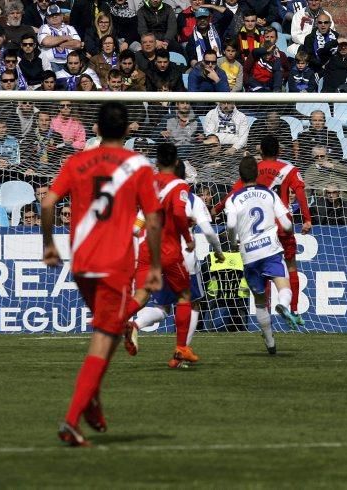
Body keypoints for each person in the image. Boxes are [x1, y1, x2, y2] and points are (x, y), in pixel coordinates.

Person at [42, 101, 163, 447]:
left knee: (107, 331)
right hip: (114, 265)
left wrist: (49, 245)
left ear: (95, 128)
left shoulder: (76, 161)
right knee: (102, 340)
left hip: (81, 264)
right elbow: (153, 219)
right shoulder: (138, 165)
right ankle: (72, 418)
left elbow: (48, 203)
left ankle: (93, 401)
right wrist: (154, 266)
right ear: (127, 130)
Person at [125, 143, 212, 367]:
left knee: (146, 298)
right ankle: (182, 348)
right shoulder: (180, 187)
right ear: (176, 163)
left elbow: (136, 225)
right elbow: (179, 214)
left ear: (156, 162)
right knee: (187, 298)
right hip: (173, 252)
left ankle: (117, 321)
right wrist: (189, 238)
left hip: (146, 249)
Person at [214, 136, 312, 323]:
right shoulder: (289, 170)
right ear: (279, 151)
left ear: (260, 152)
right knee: (291, 267)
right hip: (282, 225)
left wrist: (217, 208)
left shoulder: (252, 171)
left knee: (263, 269)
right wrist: (307, 219)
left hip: (262, 228)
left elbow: (233, 194)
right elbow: (299, 192)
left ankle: (266, 310)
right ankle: (294, 310)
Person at [224, 155, 300, 354]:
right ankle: (283, 305)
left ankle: (270, 341)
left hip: (249, 254)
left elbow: (231, 224)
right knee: (283, 285)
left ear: (240, 176)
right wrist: (290, 230)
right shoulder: (269, 194)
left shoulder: (233, 198)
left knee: (259, 300)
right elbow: (286, 224)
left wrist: (233, 242)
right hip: (271, 250)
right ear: (257, 174)